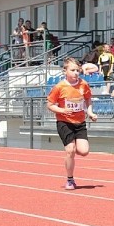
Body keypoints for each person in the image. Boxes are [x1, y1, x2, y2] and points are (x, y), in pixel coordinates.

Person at [46, 58, 98, 189]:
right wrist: (63, 110)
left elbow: (88, 99)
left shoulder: (83, 84)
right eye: (72, 70)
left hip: (79, 122)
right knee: (70, 150)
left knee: (84, 151)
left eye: (77, 70)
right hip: (64, 122)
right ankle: (70, 180)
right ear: (65, 71)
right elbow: (50, 105)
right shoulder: (59, 87)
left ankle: (74, 150)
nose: (76, 73)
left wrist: (90, 112)